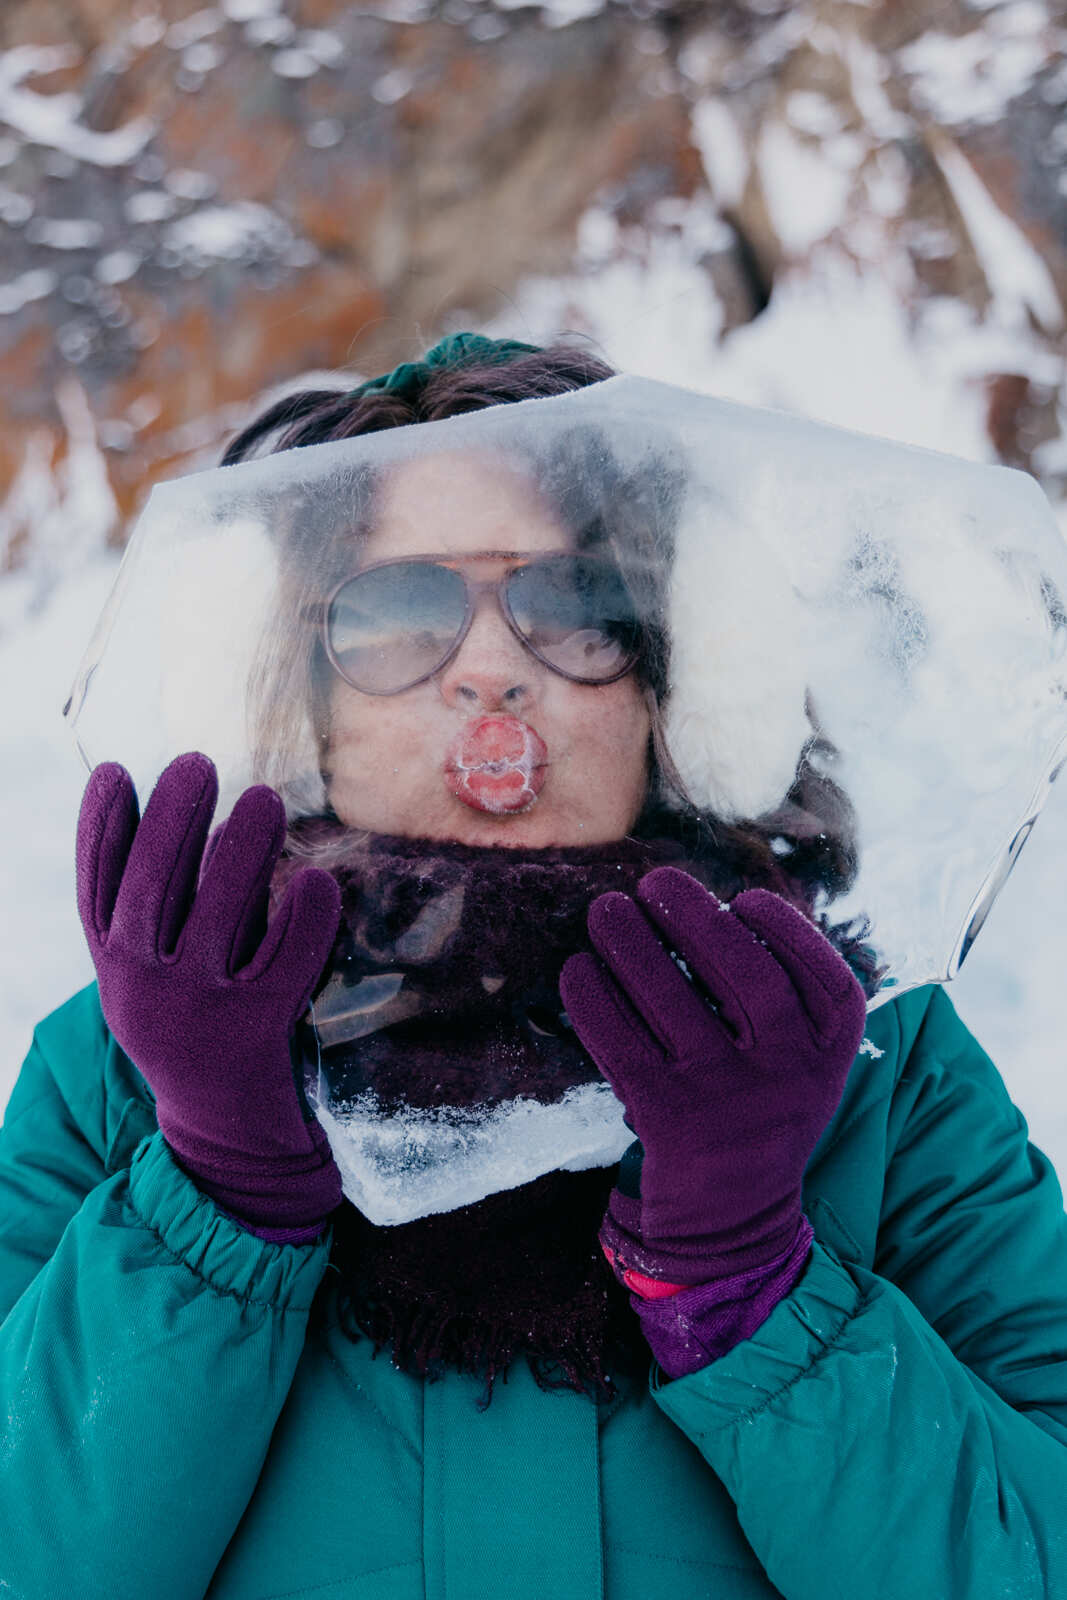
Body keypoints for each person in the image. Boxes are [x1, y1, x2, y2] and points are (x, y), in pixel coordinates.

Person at [1, 334, 1066, 1600]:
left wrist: (751, 1282)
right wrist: (209, 1198)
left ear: (683, 683)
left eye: (574, 607)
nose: (492, 667)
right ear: (293, 697)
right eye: (398, 610)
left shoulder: (873, 1058)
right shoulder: (138, 1063)